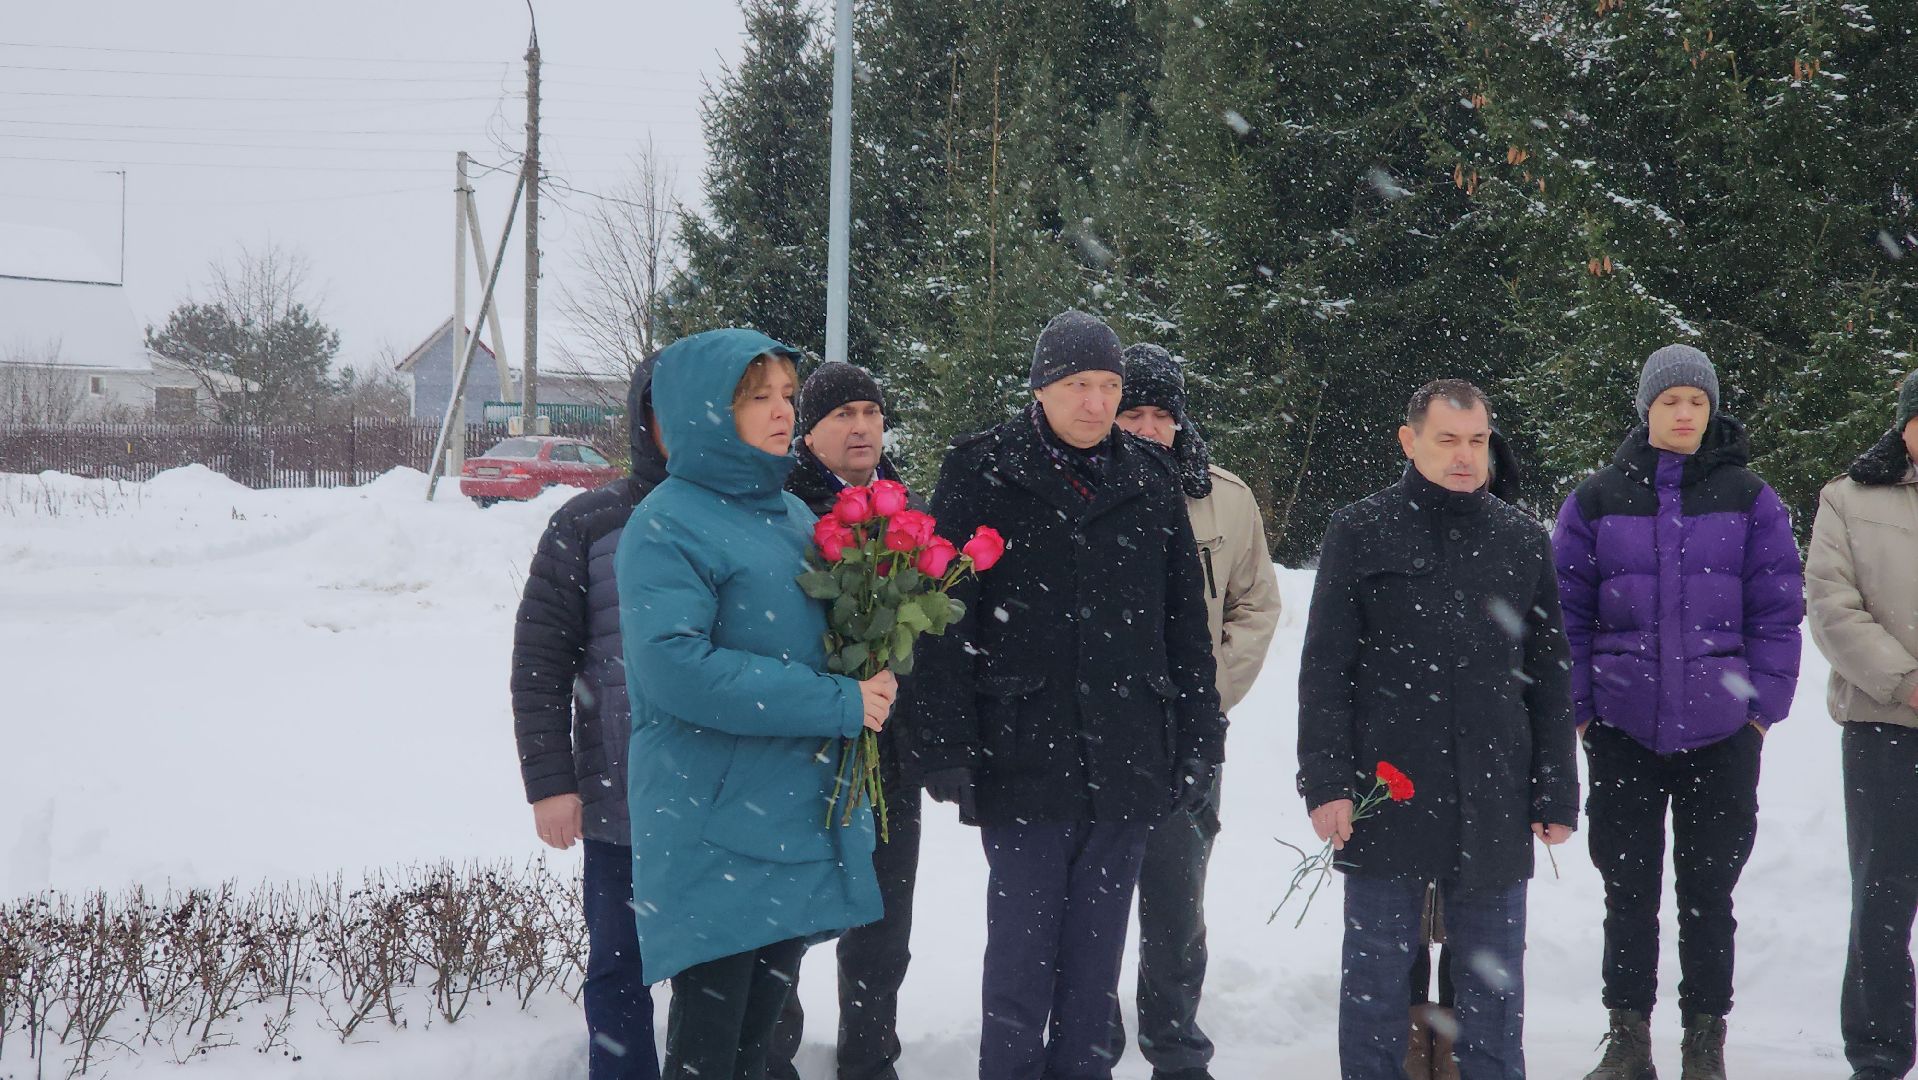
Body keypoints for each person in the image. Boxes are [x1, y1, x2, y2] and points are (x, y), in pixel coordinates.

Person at [906, 310, 1225, 1080]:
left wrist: (1197, 742)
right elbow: (939, 616)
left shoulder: (1150, 480)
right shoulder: (981, 471)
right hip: (1020, 755)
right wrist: (944, 743)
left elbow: (1186, 627)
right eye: (1079, 385)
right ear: (1041, 387)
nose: (1096, 402)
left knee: (1093, 968)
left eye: (1109, 385)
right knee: (1020, 963)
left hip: (1126, 760)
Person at [615, 329, 898, 1080]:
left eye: (783, 395)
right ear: (706, 411)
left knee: (760, 1048)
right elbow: (678, 670)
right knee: (712, 1050)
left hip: (787, 820)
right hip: (714, 825)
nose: (781, 412)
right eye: (755, 397)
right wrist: (839, 701)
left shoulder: (795, 518)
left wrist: (880, 651)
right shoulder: (667, 524)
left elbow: (822, 636)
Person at [1297, 378, 1577, 1080]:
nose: (1464, 456)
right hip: (1384, 797)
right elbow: (1326, 670)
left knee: (1492, 994)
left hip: (1493, 794)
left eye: (1477, 441)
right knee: (1376, 986)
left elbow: (1549, 673)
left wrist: (1555, 791)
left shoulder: (1519, 539)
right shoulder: (1359, 532)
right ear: (1409, 440)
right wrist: (1327, 782)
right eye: (1448, 440)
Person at [1554, 345, 1804, 1080]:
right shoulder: (1596, 499)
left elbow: (1778, 614)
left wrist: (1760, 713)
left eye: (1698, 400)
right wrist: (1582, 713)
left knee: (1708, 893)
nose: (1686, 412)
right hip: (1623, 731)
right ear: (1647, 409)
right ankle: (1628, 1039)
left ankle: (1704, 1041)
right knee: (1627, 891)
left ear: (1712, 409)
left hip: (1723, 736)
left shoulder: (1750, 498)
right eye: (1671, 401)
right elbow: (1565, 613)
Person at [1109, 342, 1281, 1080]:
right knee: (1088, 904)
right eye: (1134, 413)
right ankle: (1085, 1044)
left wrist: (1205, 695)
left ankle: (1176, 1049)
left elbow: (1255, 605)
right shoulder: (1079, 493)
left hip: (1189, 737)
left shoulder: (1226, 498)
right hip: (1096, 736)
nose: (1149, 428)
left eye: (1162, 415)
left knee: (1177, 906)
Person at [510, 356, 666, 1080]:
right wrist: (551, 783)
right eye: (670, 408)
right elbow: (541, 662)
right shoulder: (590, 522)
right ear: (644, 418)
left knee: (733, 970)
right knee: (619, 969)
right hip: (620, 797)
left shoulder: (752, 519)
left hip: (729, 800)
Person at [770, 360, 924, 1080]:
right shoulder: (781, 506)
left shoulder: (908, 509)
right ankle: (774, 1051)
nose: (861, 426)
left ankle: (870, 1051)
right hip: (803, 747)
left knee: (885, 918)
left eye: (871, 411)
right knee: (791, 913)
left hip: (891, 749)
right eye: (843, 414)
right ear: (810, 431)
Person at [1807, 369, 1918, 1080]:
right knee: (1882, 897)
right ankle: (1878, 1056)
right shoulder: (1847, 498)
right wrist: (1908, 682)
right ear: (1905, 422)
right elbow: (1831, 605)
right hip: (1884, 728)